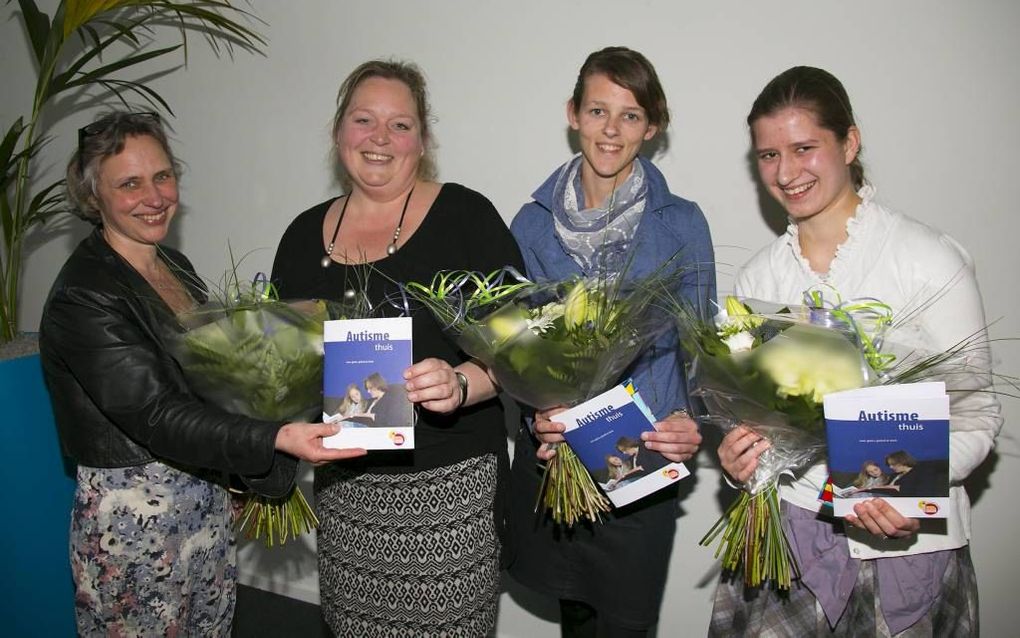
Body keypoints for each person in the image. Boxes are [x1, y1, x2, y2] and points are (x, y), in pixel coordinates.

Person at [38, 111, 366, 637]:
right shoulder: (85, 294)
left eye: (163, 176)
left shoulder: (175, 266)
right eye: (130, 183)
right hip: (135, 522)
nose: (154, 196)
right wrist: (276, 435)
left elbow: (214, 377)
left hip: (203, 495)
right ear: (92, 195)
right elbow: (157, 415)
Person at [712, 66, 1001, 636]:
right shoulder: (757, 281)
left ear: (849, 142)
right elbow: (750, 418)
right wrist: (739, 460)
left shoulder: (926, 259)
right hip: (786, 544)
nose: (786, 172)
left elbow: (979, 415)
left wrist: (911, 490)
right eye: (768, 156)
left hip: (902, 545)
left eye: (804, 148)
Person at [270, 59, 524, 637]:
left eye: (400, 125)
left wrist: (461, 382)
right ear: (339, 134)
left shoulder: (466, 216)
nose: (379, 138)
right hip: (345, 496)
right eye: (364, 120)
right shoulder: (301, 235)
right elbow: (281, 366)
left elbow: (519, 352)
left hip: (447, 490)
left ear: (424, 140)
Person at [507, 46, 715, 637]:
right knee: (575, 612)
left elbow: (699, 346)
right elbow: (518, 346)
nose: (611, 130)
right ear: (573, 113)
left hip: (641, 455)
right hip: (560, 458)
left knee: (626, 622)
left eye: (630, 116)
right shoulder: (529, 223)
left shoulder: (681, 223)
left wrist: (688, 420)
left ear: (651, 128)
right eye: (598, 110)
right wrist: (536, 416)